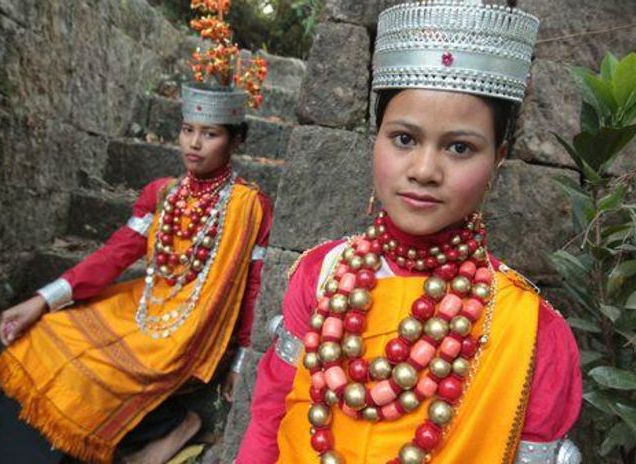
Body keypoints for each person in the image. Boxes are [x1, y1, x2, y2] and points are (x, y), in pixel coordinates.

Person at [237, 1, 582, 463]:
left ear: (498, 158)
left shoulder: (535, 333)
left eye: (459, 147)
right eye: (404, 139)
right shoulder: (320, 276)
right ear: (375, 138)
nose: (424, 170)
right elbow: (268, 419)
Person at [0, 2, 271, 462]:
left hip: (192, 331)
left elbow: (254, 287)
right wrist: (42, 298)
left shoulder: (249, 205)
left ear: (236, 140)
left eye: (210, 133)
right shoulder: (160, 193)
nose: (194, 144)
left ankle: (177, 426)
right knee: (47, 333)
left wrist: (240, 359)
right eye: (186, 129)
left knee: (97, 367)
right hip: (144, 304)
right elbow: (115, 254)